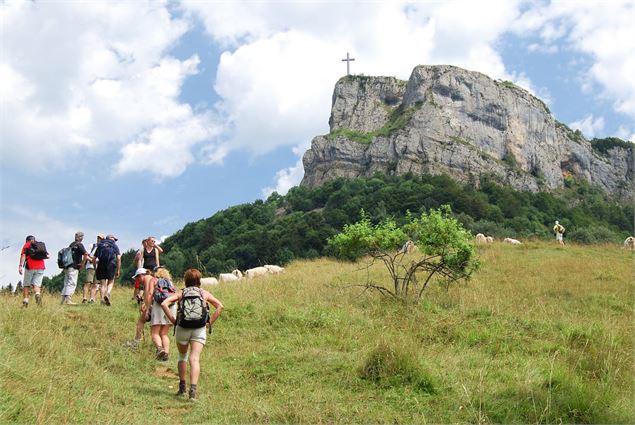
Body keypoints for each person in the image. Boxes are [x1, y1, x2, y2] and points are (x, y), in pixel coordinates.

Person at [161, 268, 223, 401]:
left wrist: (173, 320)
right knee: (194, 359)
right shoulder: (204, 293)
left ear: (186, 280)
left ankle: (182, 388)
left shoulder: (181, 293)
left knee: (182, 356)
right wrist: (209, 322)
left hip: (182, 328)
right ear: (199, 280)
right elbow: (220, 306)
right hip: (199, 329)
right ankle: (193, 392)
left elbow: (164, 303)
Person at [144, 266, 176, 361]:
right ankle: (166, 354)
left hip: (158, 306)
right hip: (171, 307)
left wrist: (147, 308)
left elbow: (150, 294)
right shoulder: (170, 282)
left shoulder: (154, 280)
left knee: (155, 332)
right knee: (164, 333)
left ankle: (159, 349)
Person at [61, 232, 91, 305]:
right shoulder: (79, 245)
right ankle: (68, 300)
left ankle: (62, 301)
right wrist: (83, 264)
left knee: (66, 283)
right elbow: (86, 254)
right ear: (81, 237)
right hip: (74, 267)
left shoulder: (71, 244)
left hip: (67, 267)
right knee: (72, 283)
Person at [18, 235, 48, 307]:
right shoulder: (40, 245)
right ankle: (37, 294)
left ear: (27, 240)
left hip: (30, 266)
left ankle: (25, 301)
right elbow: (47, 256)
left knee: (26, 284)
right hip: (41, 267)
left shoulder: (27, 245)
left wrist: (20, 266)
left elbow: (23, 255)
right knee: (36, 285)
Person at [127, 267, 152, 349]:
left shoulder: (147, 279)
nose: (137, 280)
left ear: (140, 275)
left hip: (153, 305)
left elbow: (149, 293)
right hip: (157, 304)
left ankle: (136, 343)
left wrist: (146, 307)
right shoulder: (151, 278)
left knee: (140, 321)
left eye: (137, 278)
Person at [94, 234, 121, 306]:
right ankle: (108, 293)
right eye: (114, 239)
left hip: (101, 264)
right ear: (111, 238)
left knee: (103, 283)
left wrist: (95, 267)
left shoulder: (100, 245)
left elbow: (94, 258)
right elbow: (118, 258)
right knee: (111, 281)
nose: (115, 241)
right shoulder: (114, 245)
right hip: (111, 264)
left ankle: (102, 299)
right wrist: (118, 270)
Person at [82, 234, 103, 304]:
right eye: (98, 238)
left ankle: (92, 299)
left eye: (101, 238)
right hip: (90, 266)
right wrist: (92, 260)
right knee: (88, 282)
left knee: (96, 284)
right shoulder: (92, 246)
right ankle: (84, 298)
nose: (99, 239)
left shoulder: (102, 248)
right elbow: (86, 255)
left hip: (98, 268)